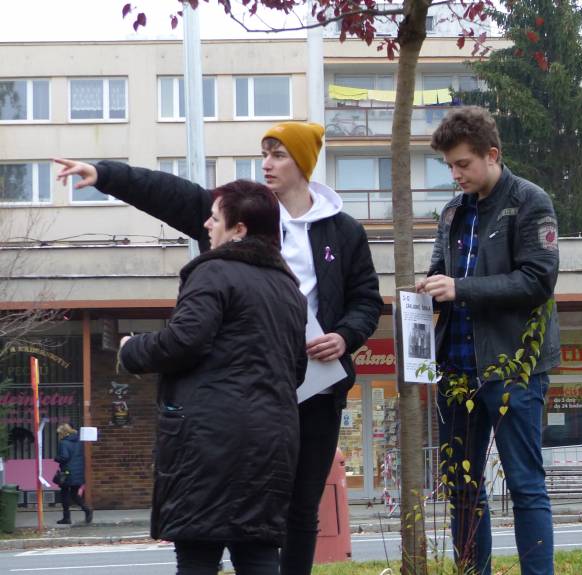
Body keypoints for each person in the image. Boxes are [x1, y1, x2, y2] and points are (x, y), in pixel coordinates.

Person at [54, 121, 383, 575]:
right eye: (264, 154)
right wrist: (106, 175)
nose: (266, 164)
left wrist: (345, 335)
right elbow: (170, 194)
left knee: (299, 506)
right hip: (248, 392)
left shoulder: (342, 231)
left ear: (304, 164)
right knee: (246, 521)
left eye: (278, 155)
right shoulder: (239, 213)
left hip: (315, 386)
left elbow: (366, 298)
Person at [116, 180, 308, 575]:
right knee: (257, 552)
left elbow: (183, 341)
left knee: (197, 554)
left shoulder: (214, 271)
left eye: (215, 218)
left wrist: (131, 348)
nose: (206, 224)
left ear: (239, 230)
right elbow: (297, 369)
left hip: (210, 440)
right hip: (273, 440)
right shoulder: (289, 288)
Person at [416, 106, 561, 575]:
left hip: (513, 369)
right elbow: (441, 271)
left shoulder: (530, 201)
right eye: (450, 166)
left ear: (492, 155)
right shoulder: (452, 211)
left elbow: (538, 280)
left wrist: (460, 288)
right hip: (456, 370)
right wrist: (429, 287)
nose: (455, 175)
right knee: (461, 488)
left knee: (525, 485)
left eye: (463, 164)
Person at [55, 423, 92, 526]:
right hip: (78, 472)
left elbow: (64, 457)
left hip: (67, 472)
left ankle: (66, 518)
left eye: (59, 433)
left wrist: (56, 458)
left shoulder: (64, 443)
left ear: (63, 433)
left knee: (64, 495)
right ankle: (87, 509)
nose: (59, 435)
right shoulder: (79, 441)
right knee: (74, 495)